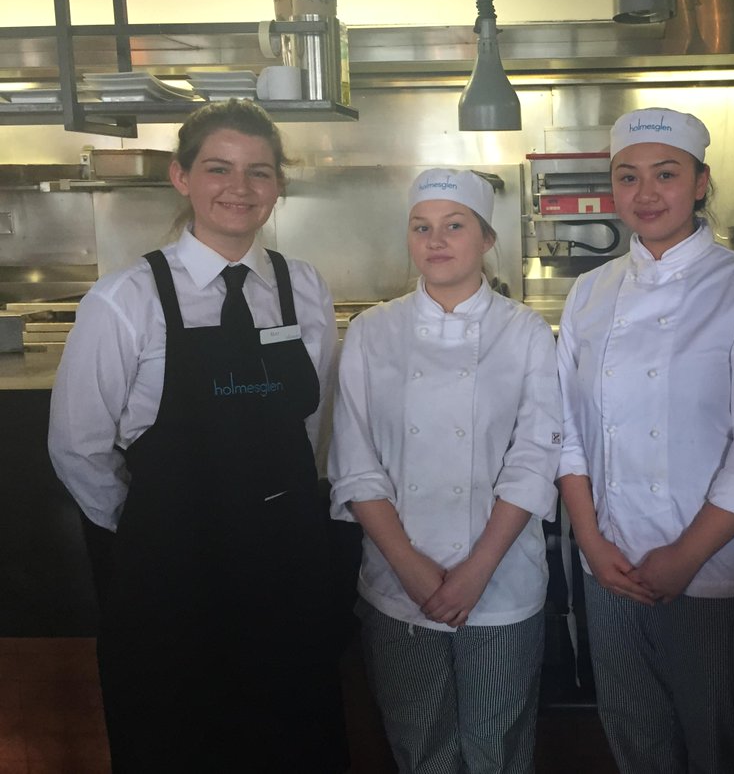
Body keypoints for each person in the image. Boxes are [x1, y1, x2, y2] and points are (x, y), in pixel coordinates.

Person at [48, 99, 346, 773]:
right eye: (218, 168)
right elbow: (78, 448)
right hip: (173, 576)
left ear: (277, 186)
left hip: (285, 568)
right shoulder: (126, 300)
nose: (239, 189)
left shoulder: (303, 288)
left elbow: (313, 418)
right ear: (181, 177)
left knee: (291, 735)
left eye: (259, 172)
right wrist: (154, 528)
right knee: (179, 740)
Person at [556, 107, 734, 774]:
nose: (646, 192)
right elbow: (567, 432)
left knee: (716, 747)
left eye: (666, 174)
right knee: (634, 740)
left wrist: (685, 556)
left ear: (700, 182)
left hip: (713, 570)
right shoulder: (589, 293)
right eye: (628, 177)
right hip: (610, 566)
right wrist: (593, 544)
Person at [327, 168, 561, 774]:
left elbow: (534, 460)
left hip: (502, 580)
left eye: (454, 226)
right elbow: (355, 464)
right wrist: (412, 570)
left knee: (500, 747)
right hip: (398, 585)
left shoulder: (526, 331)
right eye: (421, 227)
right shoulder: (372, 332)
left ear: (485, 239)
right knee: (420, 747)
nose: (436, 240)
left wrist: (473, 572)